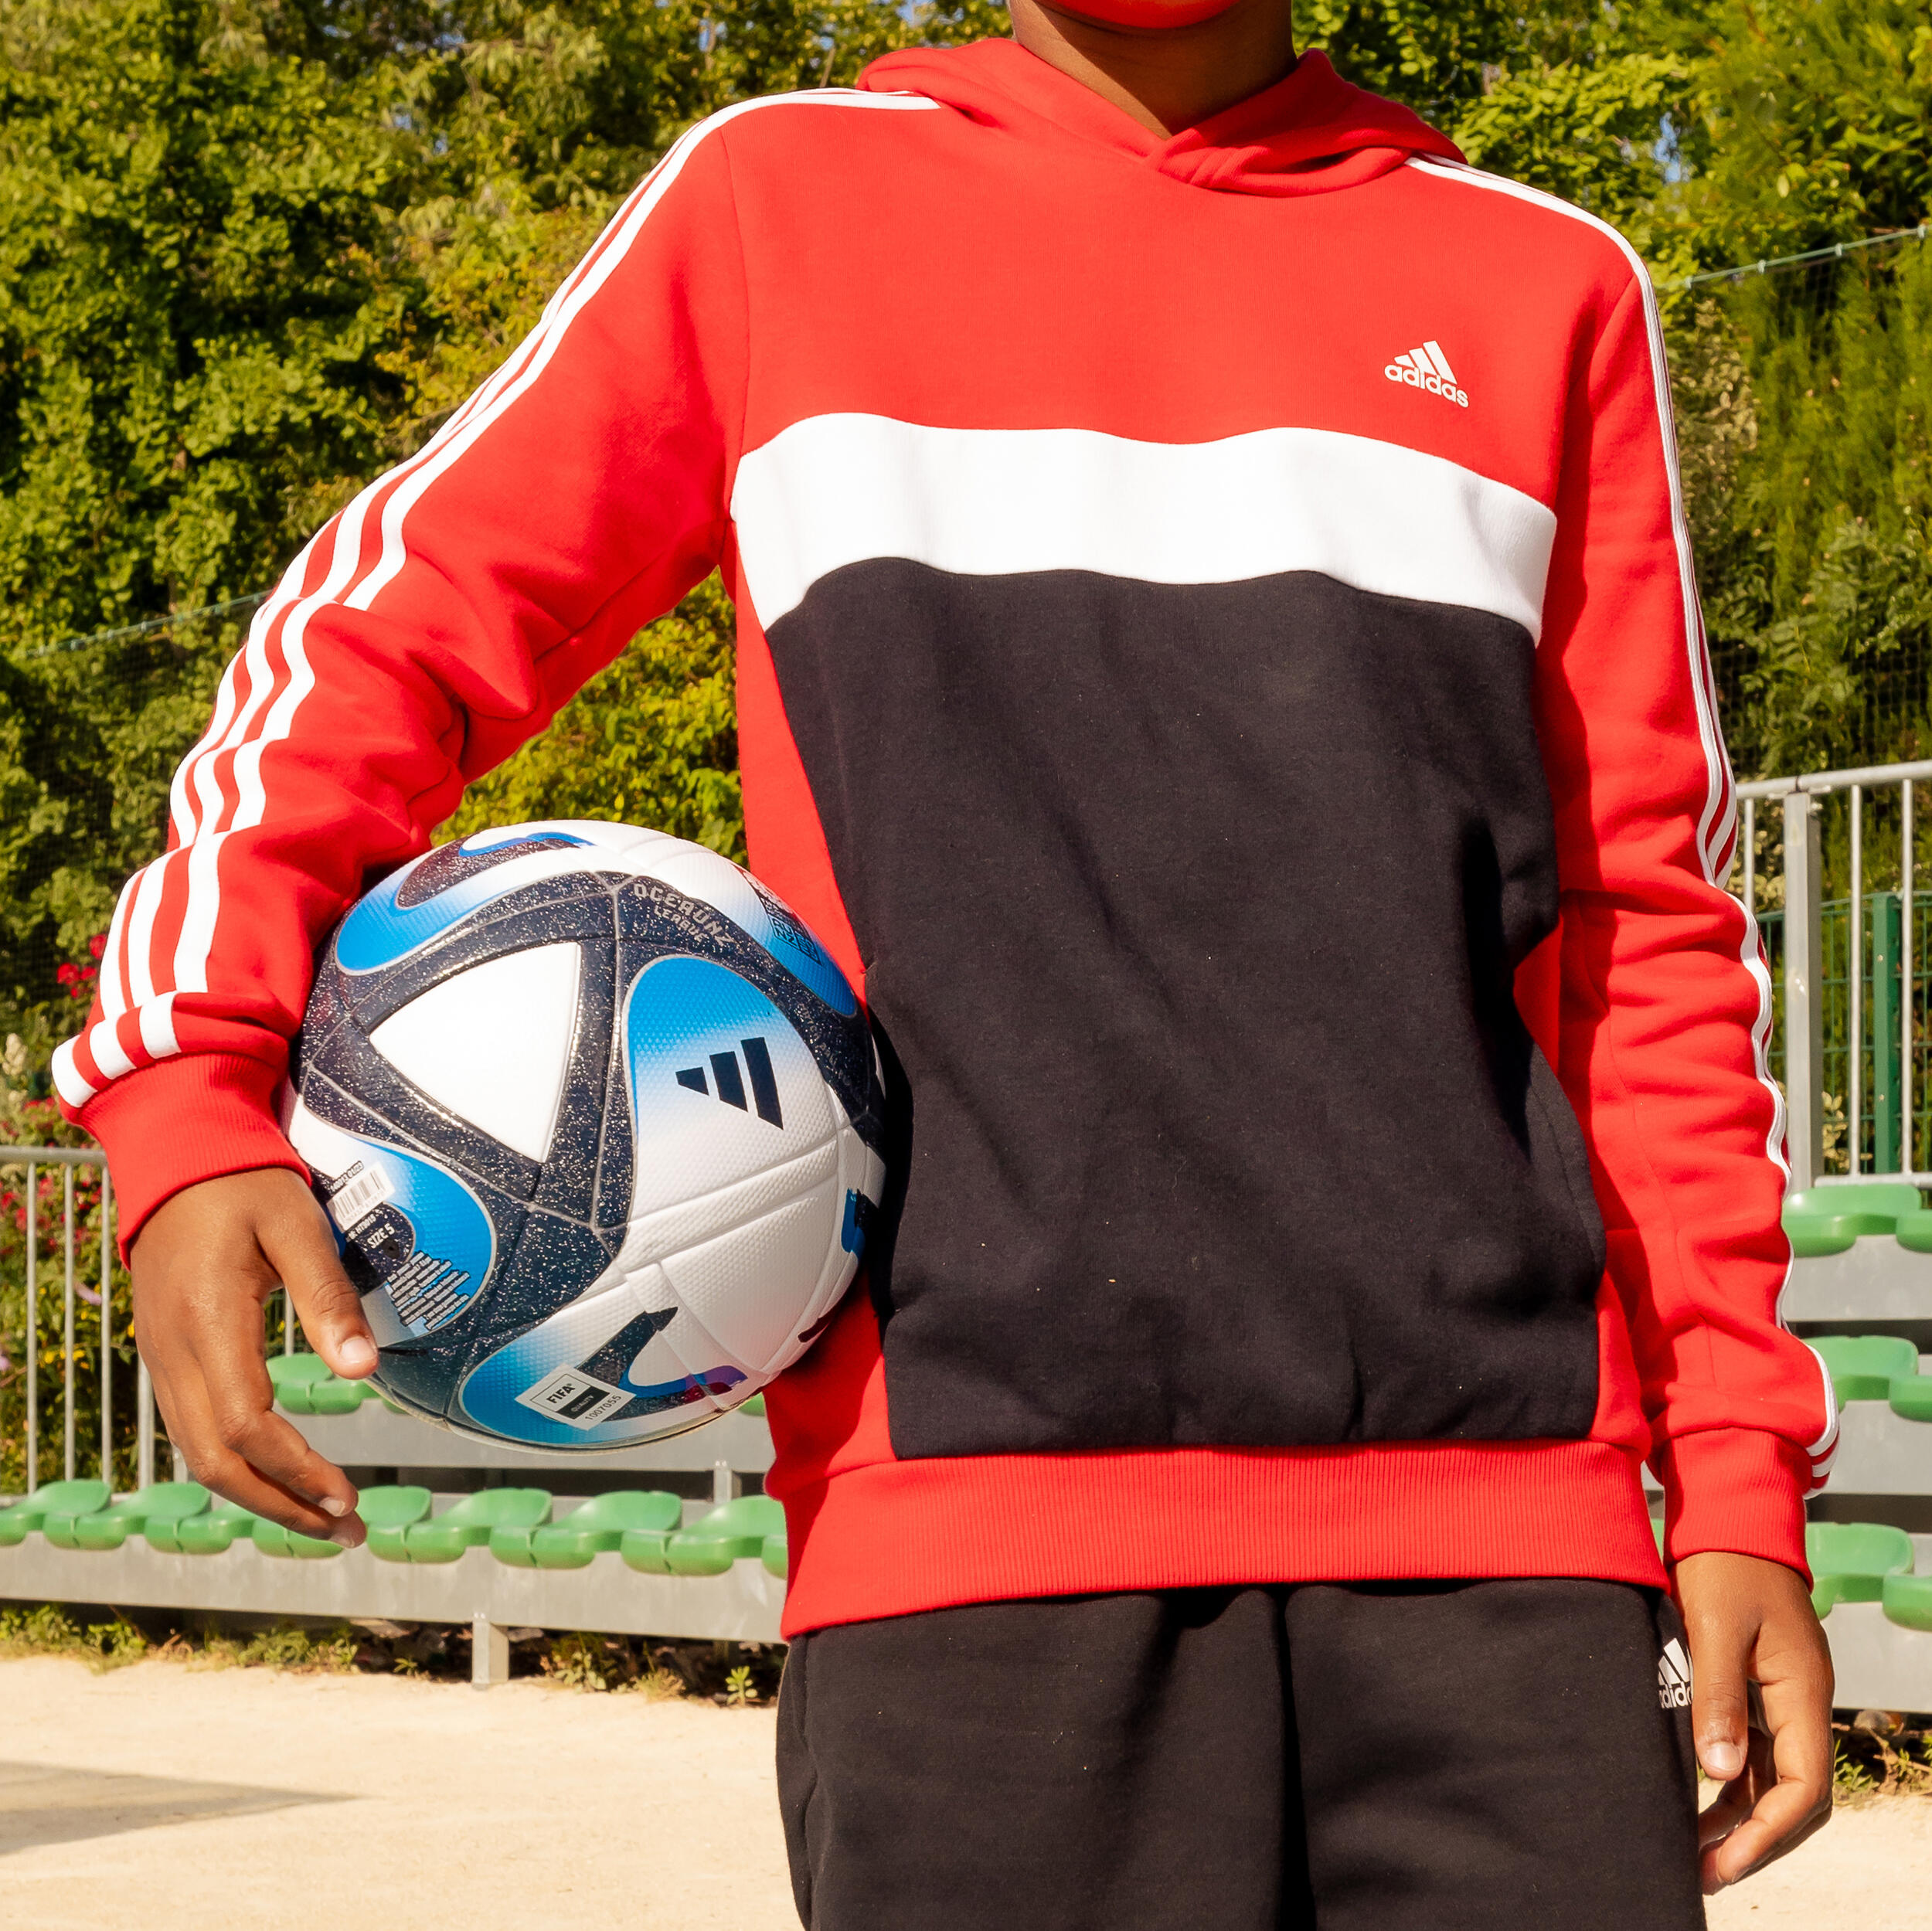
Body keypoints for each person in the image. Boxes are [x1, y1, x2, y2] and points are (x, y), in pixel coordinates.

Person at [59, 0, 1835, 1922]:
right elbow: (376, 645)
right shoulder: (774, 203)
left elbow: (1648, 929)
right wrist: (188, 1072)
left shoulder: (1540, 282)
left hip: (1511, 1553)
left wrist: (1735, 1466)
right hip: (970, 1559)